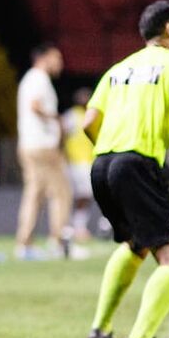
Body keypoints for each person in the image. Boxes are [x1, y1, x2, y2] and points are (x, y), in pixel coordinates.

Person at [84, 0, 169, 338]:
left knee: (136, 244)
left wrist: (113, 150)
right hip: (136, 164)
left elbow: (89, 122)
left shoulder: (119, 68)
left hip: (102, 164)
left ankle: (99, 330)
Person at [14, 43, 72, 260]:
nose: (60, 63)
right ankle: (58, 242)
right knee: (61, 193)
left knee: (34, 194)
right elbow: (35, 106)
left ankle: (25, 244)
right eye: (57, 58)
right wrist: (57, 119)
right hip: (43, 146)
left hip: (30, 144)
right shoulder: (39, 78)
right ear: (44, 57)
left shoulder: (30, 78)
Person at [62, 88, 97, 245]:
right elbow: (62, 132)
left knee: (86, 194)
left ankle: (77, 226)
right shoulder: (72, 115)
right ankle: (74, 227)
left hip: (88, 160)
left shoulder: (92, 114)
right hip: (75, 161)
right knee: (80, 194)